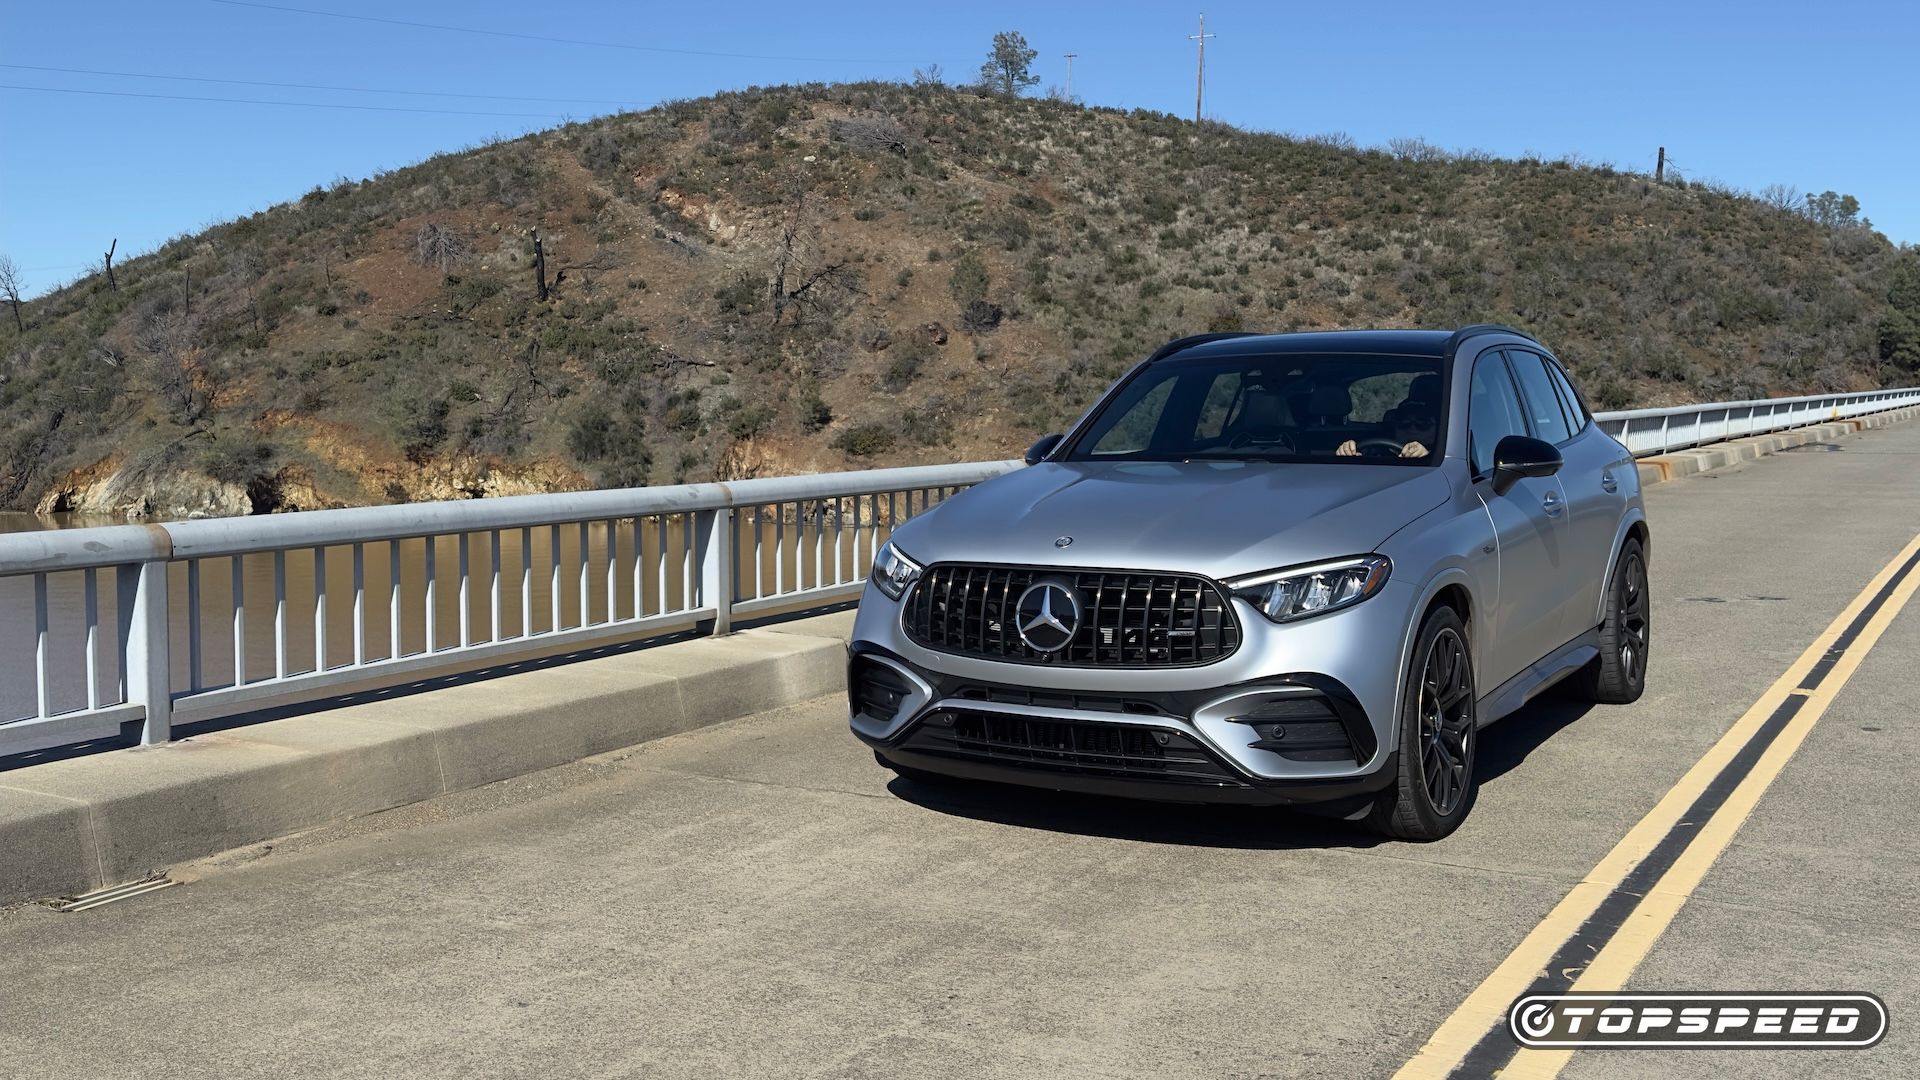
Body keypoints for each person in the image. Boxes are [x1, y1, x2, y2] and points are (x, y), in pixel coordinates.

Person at [1336, 405, 1436, 459]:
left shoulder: (1442, 458)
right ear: (1394, 427)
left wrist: (1425, 458)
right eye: (1404, 423)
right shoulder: (1372, 452)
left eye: (1423, 424)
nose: (1412, 429)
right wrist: (1346, 454)